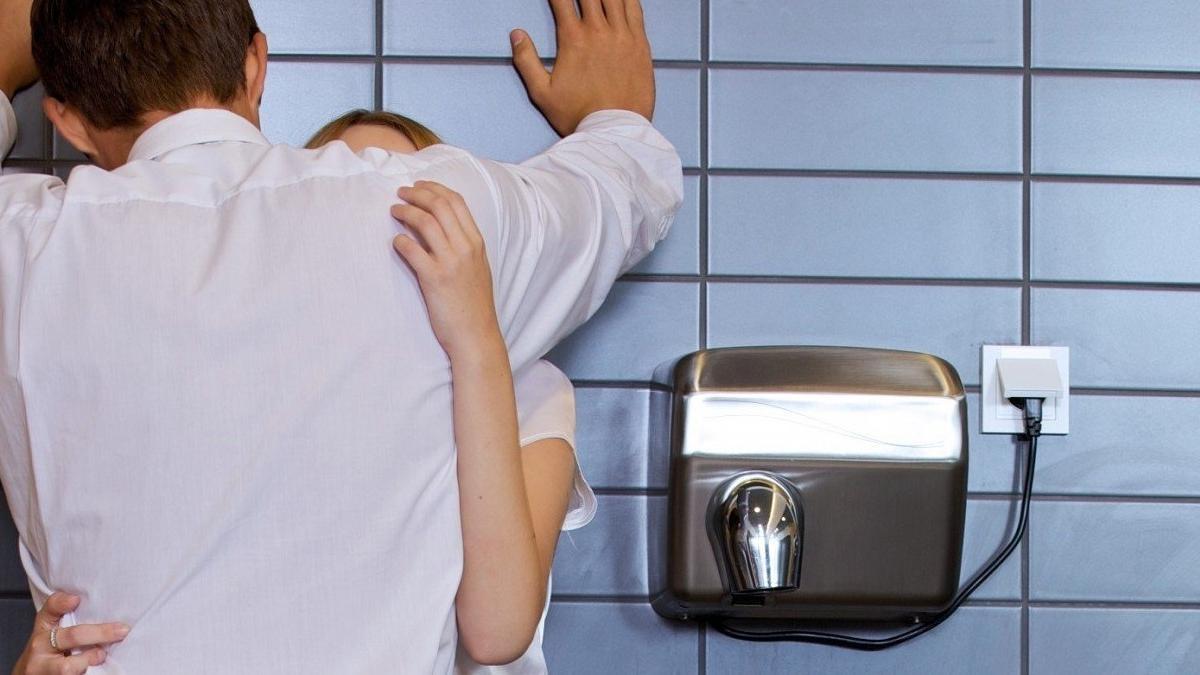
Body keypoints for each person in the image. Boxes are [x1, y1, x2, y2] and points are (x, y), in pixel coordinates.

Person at [0, 0, 682, 673]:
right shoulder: (425, 213)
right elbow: (623, 186)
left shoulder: (21, 249)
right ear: (256, 63)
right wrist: (615, 120)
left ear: (66, 121)